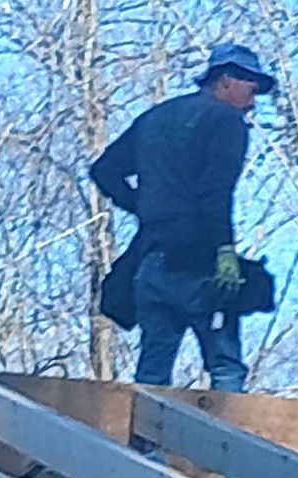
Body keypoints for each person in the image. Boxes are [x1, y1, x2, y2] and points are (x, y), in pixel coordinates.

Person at [90, 42, 275, 393]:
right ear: (226, 81)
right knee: (225, 367)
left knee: (152, 374)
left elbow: (105, 170)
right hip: (201, 265)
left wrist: (146, 208)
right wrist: (224, 251)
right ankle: (226, 445)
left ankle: (143, 448)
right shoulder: (226, 121)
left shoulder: (156, 118)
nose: (252, 103)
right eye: (250, 91)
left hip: (152, 263)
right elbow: (215, 194)